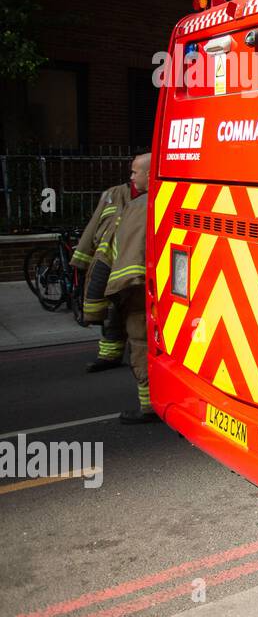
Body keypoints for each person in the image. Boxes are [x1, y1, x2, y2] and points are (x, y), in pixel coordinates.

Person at [103, 153, 154, 424]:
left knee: (139, 343)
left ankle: (148, 407)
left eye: (136, 172)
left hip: (136, 292)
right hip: (147, 287)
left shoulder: (139, 206)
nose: (131, 177)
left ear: (149, 173)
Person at [71, 176, 133, 371]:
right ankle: (109, 355)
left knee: (136, 314)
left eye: (136, 171)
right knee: (112, 310)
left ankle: (142, 357)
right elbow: (94, 224)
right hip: (110, 263)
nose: (131, 176)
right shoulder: (113, 194)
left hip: (134, 264)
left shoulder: (154, 196)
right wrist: (81, 258)